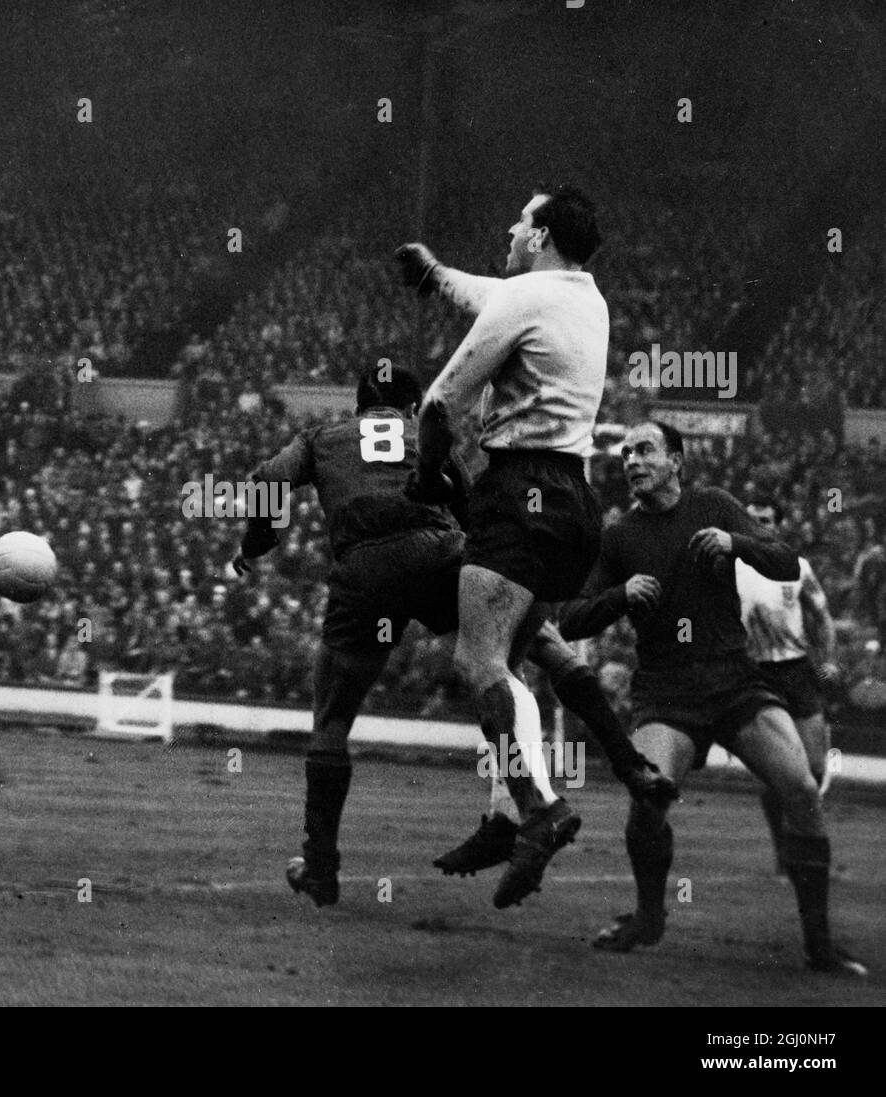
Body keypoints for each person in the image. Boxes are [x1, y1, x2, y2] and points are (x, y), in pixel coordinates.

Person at [233, 364, 675, 909]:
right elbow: (473, 516)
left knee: (331, 721)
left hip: (366, 567)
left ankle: (321, 867)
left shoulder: (324, 437)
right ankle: (576, 786)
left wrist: (259, 542)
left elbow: (264, 483)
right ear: (413, 408)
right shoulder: (428, 438)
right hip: (442, 550)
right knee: (535, 646)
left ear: (359, 407)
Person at [554, 421, 865, 975]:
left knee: (801, 789)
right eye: (627, 453)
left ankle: (820, 945)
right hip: (667, 691)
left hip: (735, 682)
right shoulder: (619, 536)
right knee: (648, 800)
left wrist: (735, 543)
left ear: (676, 459)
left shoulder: (715, 506)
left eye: (645, 450)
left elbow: (787, 561)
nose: (632, 460)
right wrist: (618, 597)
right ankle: (649, 918)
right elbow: (571, 618)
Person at [395, 183, 609, 906]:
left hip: (522, 488)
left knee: (476, 657)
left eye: (522, 220)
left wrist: (427, 476)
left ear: (543, 237)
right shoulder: (583, 296)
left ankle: (541, 809)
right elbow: (495, 294)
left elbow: (437, 404)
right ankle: (503, 818)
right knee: (509, 666)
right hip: (576, 500)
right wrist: (435, 276)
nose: (511, 229)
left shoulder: (526, 298)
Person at [738, 498, 839, 873]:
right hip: (756, 675)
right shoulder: (731, 568)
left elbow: (823, 617)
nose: (759, 526)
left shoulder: (797, 568)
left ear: (779, 526)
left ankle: (805, 842)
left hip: (796, 672)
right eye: (753, 520)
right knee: (777, 774)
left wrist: (828, 659)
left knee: (813, 770)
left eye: (765, 520)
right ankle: (786, 854)